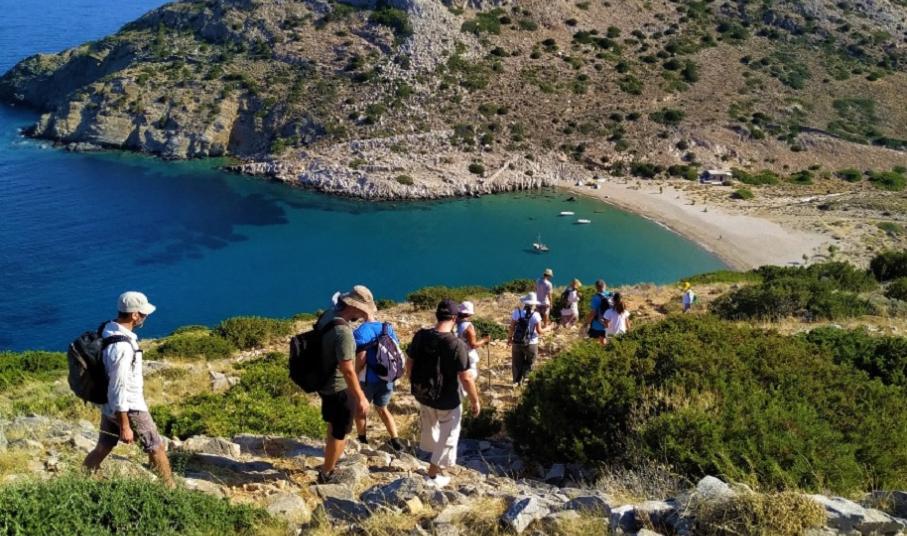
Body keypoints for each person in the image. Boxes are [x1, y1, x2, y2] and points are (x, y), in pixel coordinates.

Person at [83, 291, 174, 488]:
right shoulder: (122, 348)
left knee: (104, 446)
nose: (145, 317)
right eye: (143, 313)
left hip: (109, 405)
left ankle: (79, 480)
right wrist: (124, 425)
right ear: (134, 315)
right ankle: (171, 492)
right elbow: (119, 386)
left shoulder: (107, 330)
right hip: (129, 407)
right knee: (156, 447)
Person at [407, 300, 481, 488]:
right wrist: (475, 401)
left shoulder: (421, 336)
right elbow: (466, 377)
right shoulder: (456, 345)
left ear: (437, 315)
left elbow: (409, 362)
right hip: (448, 399)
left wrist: (414, 382)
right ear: (455, 318)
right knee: (448, 436)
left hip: (424, 394)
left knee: (431, 428)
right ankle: (432, 476)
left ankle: (433, 460)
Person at [315, 285, 374, 484]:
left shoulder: (328, 315)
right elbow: (348, 370)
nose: (364, 315)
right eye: (363, 311)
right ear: (355, 308)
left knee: (334, 424)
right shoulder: (344, 333)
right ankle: (327, 473)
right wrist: (360, 396)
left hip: (323, 381)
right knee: (341, 431)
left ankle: (329, 461)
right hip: (339, 387)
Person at [353, 317, 404, 451]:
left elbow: (361, 358)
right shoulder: (387, 328)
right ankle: (396, 441)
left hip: (367, 380)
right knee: (382, 409)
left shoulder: (362, 331)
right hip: (387, 378)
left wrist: (355, 374)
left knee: (360, 410)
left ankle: (362, 440)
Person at [508, 292, 545, 386]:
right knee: (529, 362)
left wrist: (509, 338)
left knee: (516, 363)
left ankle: (516, 382)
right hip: (531, 343)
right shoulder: (536, 315)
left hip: (517, 342)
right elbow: (539, 331)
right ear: (534, 304)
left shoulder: (517, 312)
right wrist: (549, 328)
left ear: (525, 302)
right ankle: (526, 380)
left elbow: (511, 327)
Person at [456, 301, 490, 396]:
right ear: (470, 313)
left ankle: (460, 393)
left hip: (457, 353)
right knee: (472, 374)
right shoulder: (468, 326)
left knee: (459, 376)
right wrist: (485, 340)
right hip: (468, 355)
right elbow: (473, 345)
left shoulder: (454, 323)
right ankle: (463, 395)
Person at [584, 279, 613, 345]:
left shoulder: (596, 298)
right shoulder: (611, 295)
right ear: (605, 285)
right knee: (608, 339)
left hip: (598, 325)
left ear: (596, 287)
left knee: (600, 340)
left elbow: (593, 313)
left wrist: (586, 323)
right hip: (611, 324)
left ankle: (602, 350)